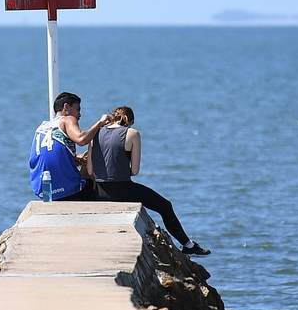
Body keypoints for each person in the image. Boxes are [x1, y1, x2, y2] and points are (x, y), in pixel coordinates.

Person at [88, 106, 211, 257]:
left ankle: (188, 245)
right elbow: (135, 171)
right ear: (130, 121)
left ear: (112, 118)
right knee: (165, 206)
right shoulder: (132, 133)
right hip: (123, 190)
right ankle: (188, 245)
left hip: (99, 192)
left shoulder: (95, 133)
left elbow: (89, 171)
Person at [29, 91, 111, 201]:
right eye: (77, 109)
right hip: (68, 191)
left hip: (44, 192)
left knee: (82, 161)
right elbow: (81, 139)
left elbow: (49, 156)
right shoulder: (67, 119)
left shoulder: (41, 128)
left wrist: (75, 158)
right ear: (66, 107)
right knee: (90, 168)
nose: (79, 115)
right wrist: (100, 123)